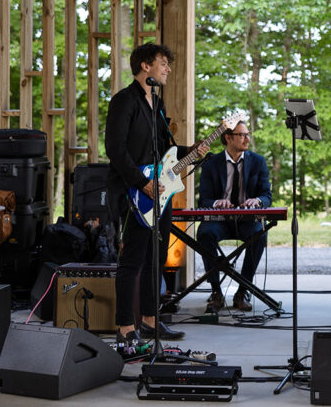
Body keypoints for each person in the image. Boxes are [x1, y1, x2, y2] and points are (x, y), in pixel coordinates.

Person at [105, 43, 207, 349]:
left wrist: (192, 151)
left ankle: (150, 320)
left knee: (157, 259)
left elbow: (166, 152)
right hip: (133, 193)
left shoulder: (157, 104)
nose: (168, 68)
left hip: (159, 193)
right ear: (145, 66)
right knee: (132, 261)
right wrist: (141, 183)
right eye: (163, 63)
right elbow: (115, 149)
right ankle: (125, 327)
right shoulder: (124, 101)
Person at [197, 120, 272, 313]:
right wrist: (216, 203)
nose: (247, 139)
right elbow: (203, 199)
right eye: (242, 135)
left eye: (248, 134)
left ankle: (243, 291)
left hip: (247, 220)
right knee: (205, 235)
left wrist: (257, 201)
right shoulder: (211, 163)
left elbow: (267, 196)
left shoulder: (258, 161)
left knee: (259, 236)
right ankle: (216, 291)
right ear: (228, 138)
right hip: (219, 221)